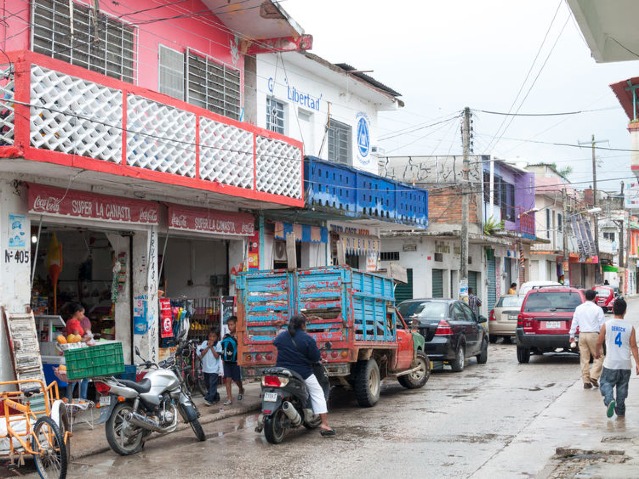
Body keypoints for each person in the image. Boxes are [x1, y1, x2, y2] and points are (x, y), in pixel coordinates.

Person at [274, 314, 335, 437]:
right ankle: (324, 424)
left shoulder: (281, 337)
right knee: (317, 392)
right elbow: (315, 357)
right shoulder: (307, 339)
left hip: (281, 371)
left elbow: (276, 344)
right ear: (303, 325)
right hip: (302, 373)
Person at [596, 297, 639, 418]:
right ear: (625, 311)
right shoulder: (630, 327)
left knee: (605, 383)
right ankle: (620, 412)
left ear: (613, 310)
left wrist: (597, 352)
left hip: (611, 363)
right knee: (622, 389)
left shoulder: (606, 325)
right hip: (625, 364)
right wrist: (638, 364)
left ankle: (609, 400)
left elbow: (599, 342)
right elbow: (634, 347)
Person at [569, 289, 606, 389]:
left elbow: (574, 322)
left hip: (582, 335)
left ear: (585, 297)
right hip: (594, 335)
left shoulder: (578, 308)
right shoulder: (597, 309)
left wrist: (571, 336)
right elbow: (602, 325)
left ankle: (586, 381)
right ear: (594, 297)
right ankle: (594, 376)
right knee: (599, 356)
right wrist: (604, 337)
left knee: (584, 359)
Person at [64, 303, 89, 401]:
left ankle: (68, 398)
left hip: (73, 351)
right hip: (77, 351)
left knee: (75, 377)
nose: (83, 316)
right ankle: (81, 399)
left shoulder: (69, 321)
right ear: (78, 312)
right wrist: (87, 339)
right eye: (82, 314)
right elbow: (76, 338)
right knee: (81, 377)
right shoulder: (74, 322)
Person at [221, 316, 244, 406]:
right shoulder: (226, 336)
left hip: (235, 361)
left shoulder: (239, 336)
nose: (230, 327)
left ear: (236, 324)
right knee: (228, 380)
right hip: (227, 361)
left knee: (236, 379)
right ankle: (229, 398)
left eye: (232, 324)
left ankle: (241, 389)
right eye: (229, 325)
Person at [197, 330, 222, 406]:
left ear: (217, 337)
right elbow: (201, 354)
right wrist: (208, 347)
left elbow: (216, 356)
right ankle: (216, 397)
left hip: (214, 369)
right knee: (208, 384)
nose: (212, 338)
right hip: (206, 368)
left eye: (214, 336)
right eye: (210, 336)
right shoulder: (204, 343)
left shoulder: (218, 344)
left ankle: (209, 399)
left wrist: (212, 347)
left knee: (212, 384)